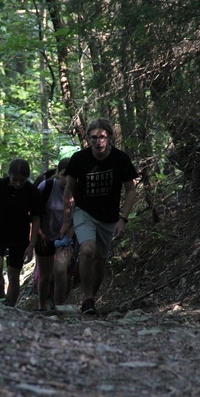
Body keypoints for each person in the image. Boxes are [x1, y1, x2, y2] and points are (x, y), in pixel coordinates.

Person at [61, 118, 138, 315]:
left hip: (110, 216)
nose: (98, 141)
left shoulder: (120, 159)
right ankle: (87, 299)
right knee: (88, 249)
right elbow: (69, 189)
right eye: (93, 137)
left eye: (102, 137)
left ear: (110, 137)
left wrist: (123, 219)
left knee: (101, 260)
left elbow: (130, 190)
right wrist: (65, 220)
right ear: (87, 138)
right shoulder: (79, 159)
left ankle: (91, 300)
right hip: (84, 211)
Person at [0, 159, 42, 307]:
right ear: (9, 176)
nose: (18, 183)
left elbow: (36, 218)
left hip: (19, 234)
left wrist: (31, 245)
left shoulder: (32, 191)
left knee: (14, 274)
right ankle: (1, 296)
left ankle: (10, 306)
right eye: (15, 179)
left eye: (22, 180)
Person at [35, 158, 73, 311]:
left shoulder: (77, 190)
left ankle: (59, 306)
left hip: (64, 238)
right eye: (64, 175)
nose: (67, 179)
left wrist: (68, 237)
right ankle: (42, 306)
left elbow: (78, 216)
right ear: (58, 174)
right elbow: (34, 212)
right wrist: (38, 234)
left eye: (71, 175)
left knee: (60, 271)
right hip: (43, 236)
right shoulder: (46, 187)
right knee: (45, 275)